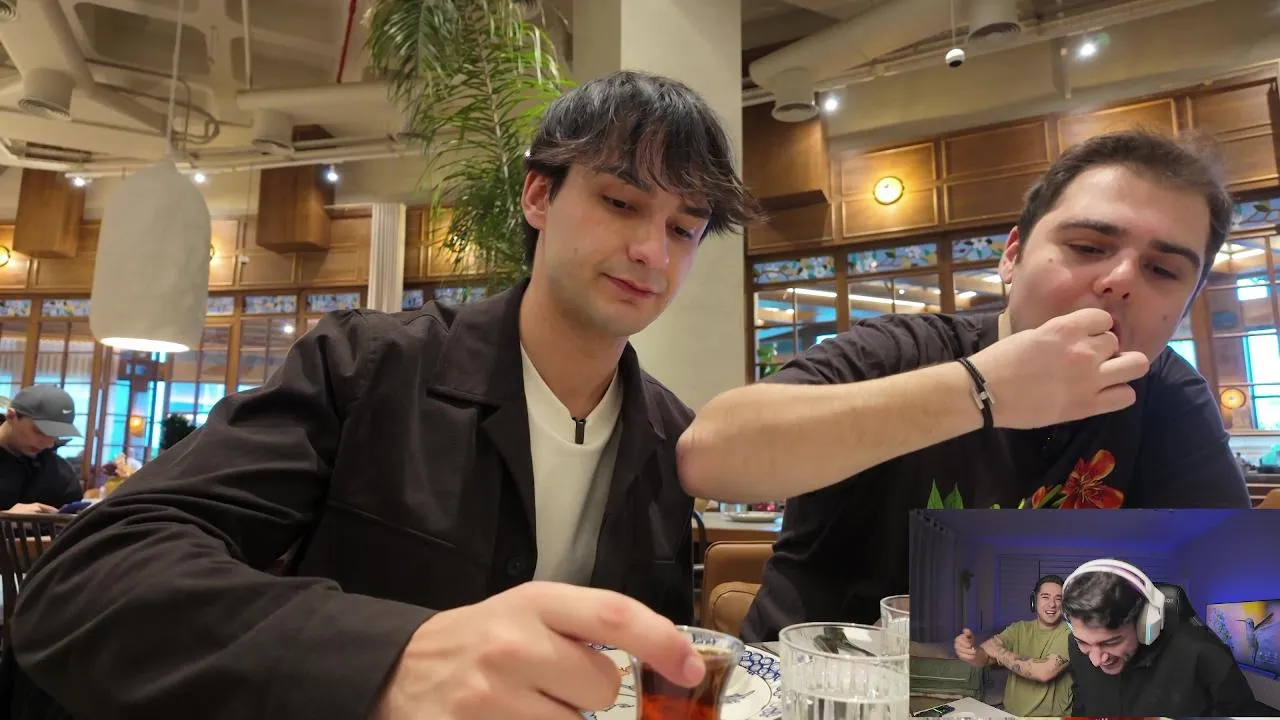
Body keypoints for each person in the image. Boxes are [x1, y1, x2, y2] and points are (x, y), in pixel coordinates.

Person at [3, 70, 763, 719]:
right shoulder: (366, 367)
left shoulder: (672, 439)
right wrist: (393, 656)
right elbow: (90, 577)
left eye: (684, 229)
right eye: (621, 203)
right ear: (539, 195)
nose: (651, 251)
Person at [676, 130, 1253, 641]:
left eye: (1162, 270)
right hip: (811, 693)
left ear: (1187, 302)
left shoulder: (1169, 398)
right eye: (1087, 247)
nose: (1120, 279)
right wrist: (983, 388)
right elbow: (709, 457)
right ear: (1012, 257)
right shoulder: (903, 352)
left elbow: (1241, 607)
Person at [1061, 558, 1261, 716]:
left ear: (1145, 622)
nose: (1096, 660)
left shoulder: (1204, 652)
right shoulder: (1075, 645)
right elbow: (1082, 705)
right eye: (1084, 642)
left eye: (1111, 642)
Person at [953, 575, 1072, 717]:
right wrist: (970, 651)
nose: (1052, 604)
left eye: (1058, 599)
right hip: (1011, 715)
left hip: (1052, 717)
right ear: (1034, 601)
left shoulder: (1070, 633)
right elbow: (984, 656)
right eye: (1045, 597)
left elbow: (1044, 672)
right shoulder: (1018, 629)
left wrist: (1000, 653)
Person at [0, 385, 83, 514]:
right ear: (11, 417)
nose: (48, 444)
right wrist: (6, 519)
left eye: (55, 435)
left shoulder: (60, 473)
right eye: (39, 432)